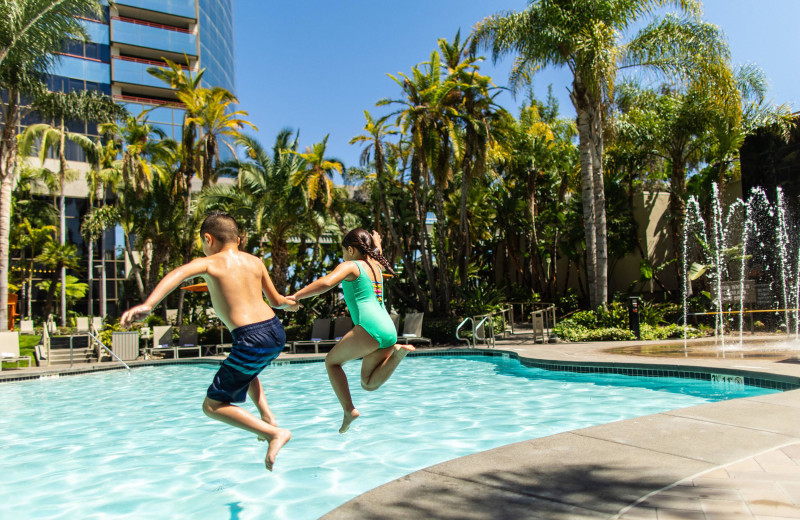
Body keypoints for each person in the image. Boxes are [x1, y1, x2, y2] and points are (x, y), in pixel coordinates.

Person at [120, 212, 298, 471]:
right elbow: (277, 301)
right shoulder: (256, 262)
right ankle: (267, 415)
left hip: (251, 338)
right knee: (246, 371)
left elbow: (177, 275)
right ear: (238, 239)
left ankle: (274, 433)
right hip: (275, 332)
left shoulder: (210, 263)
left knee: (212, 406)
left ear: (208, 238)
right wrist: (290, 304)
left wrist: (148, 305)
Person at [290, 228, 414, 433]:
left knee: (331, 362)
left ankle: (348, 410)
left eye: (343, 252)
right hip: (388, 330)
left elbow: (326, 282)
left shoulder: (351, 266)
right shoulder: (375, 264)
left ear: (350, 249)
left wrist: (296, 296)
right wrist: (377, 244)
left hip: (370, 327)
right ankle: (397, 355)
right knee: (368, 384)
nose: (343, 256)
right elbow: (378, 253)